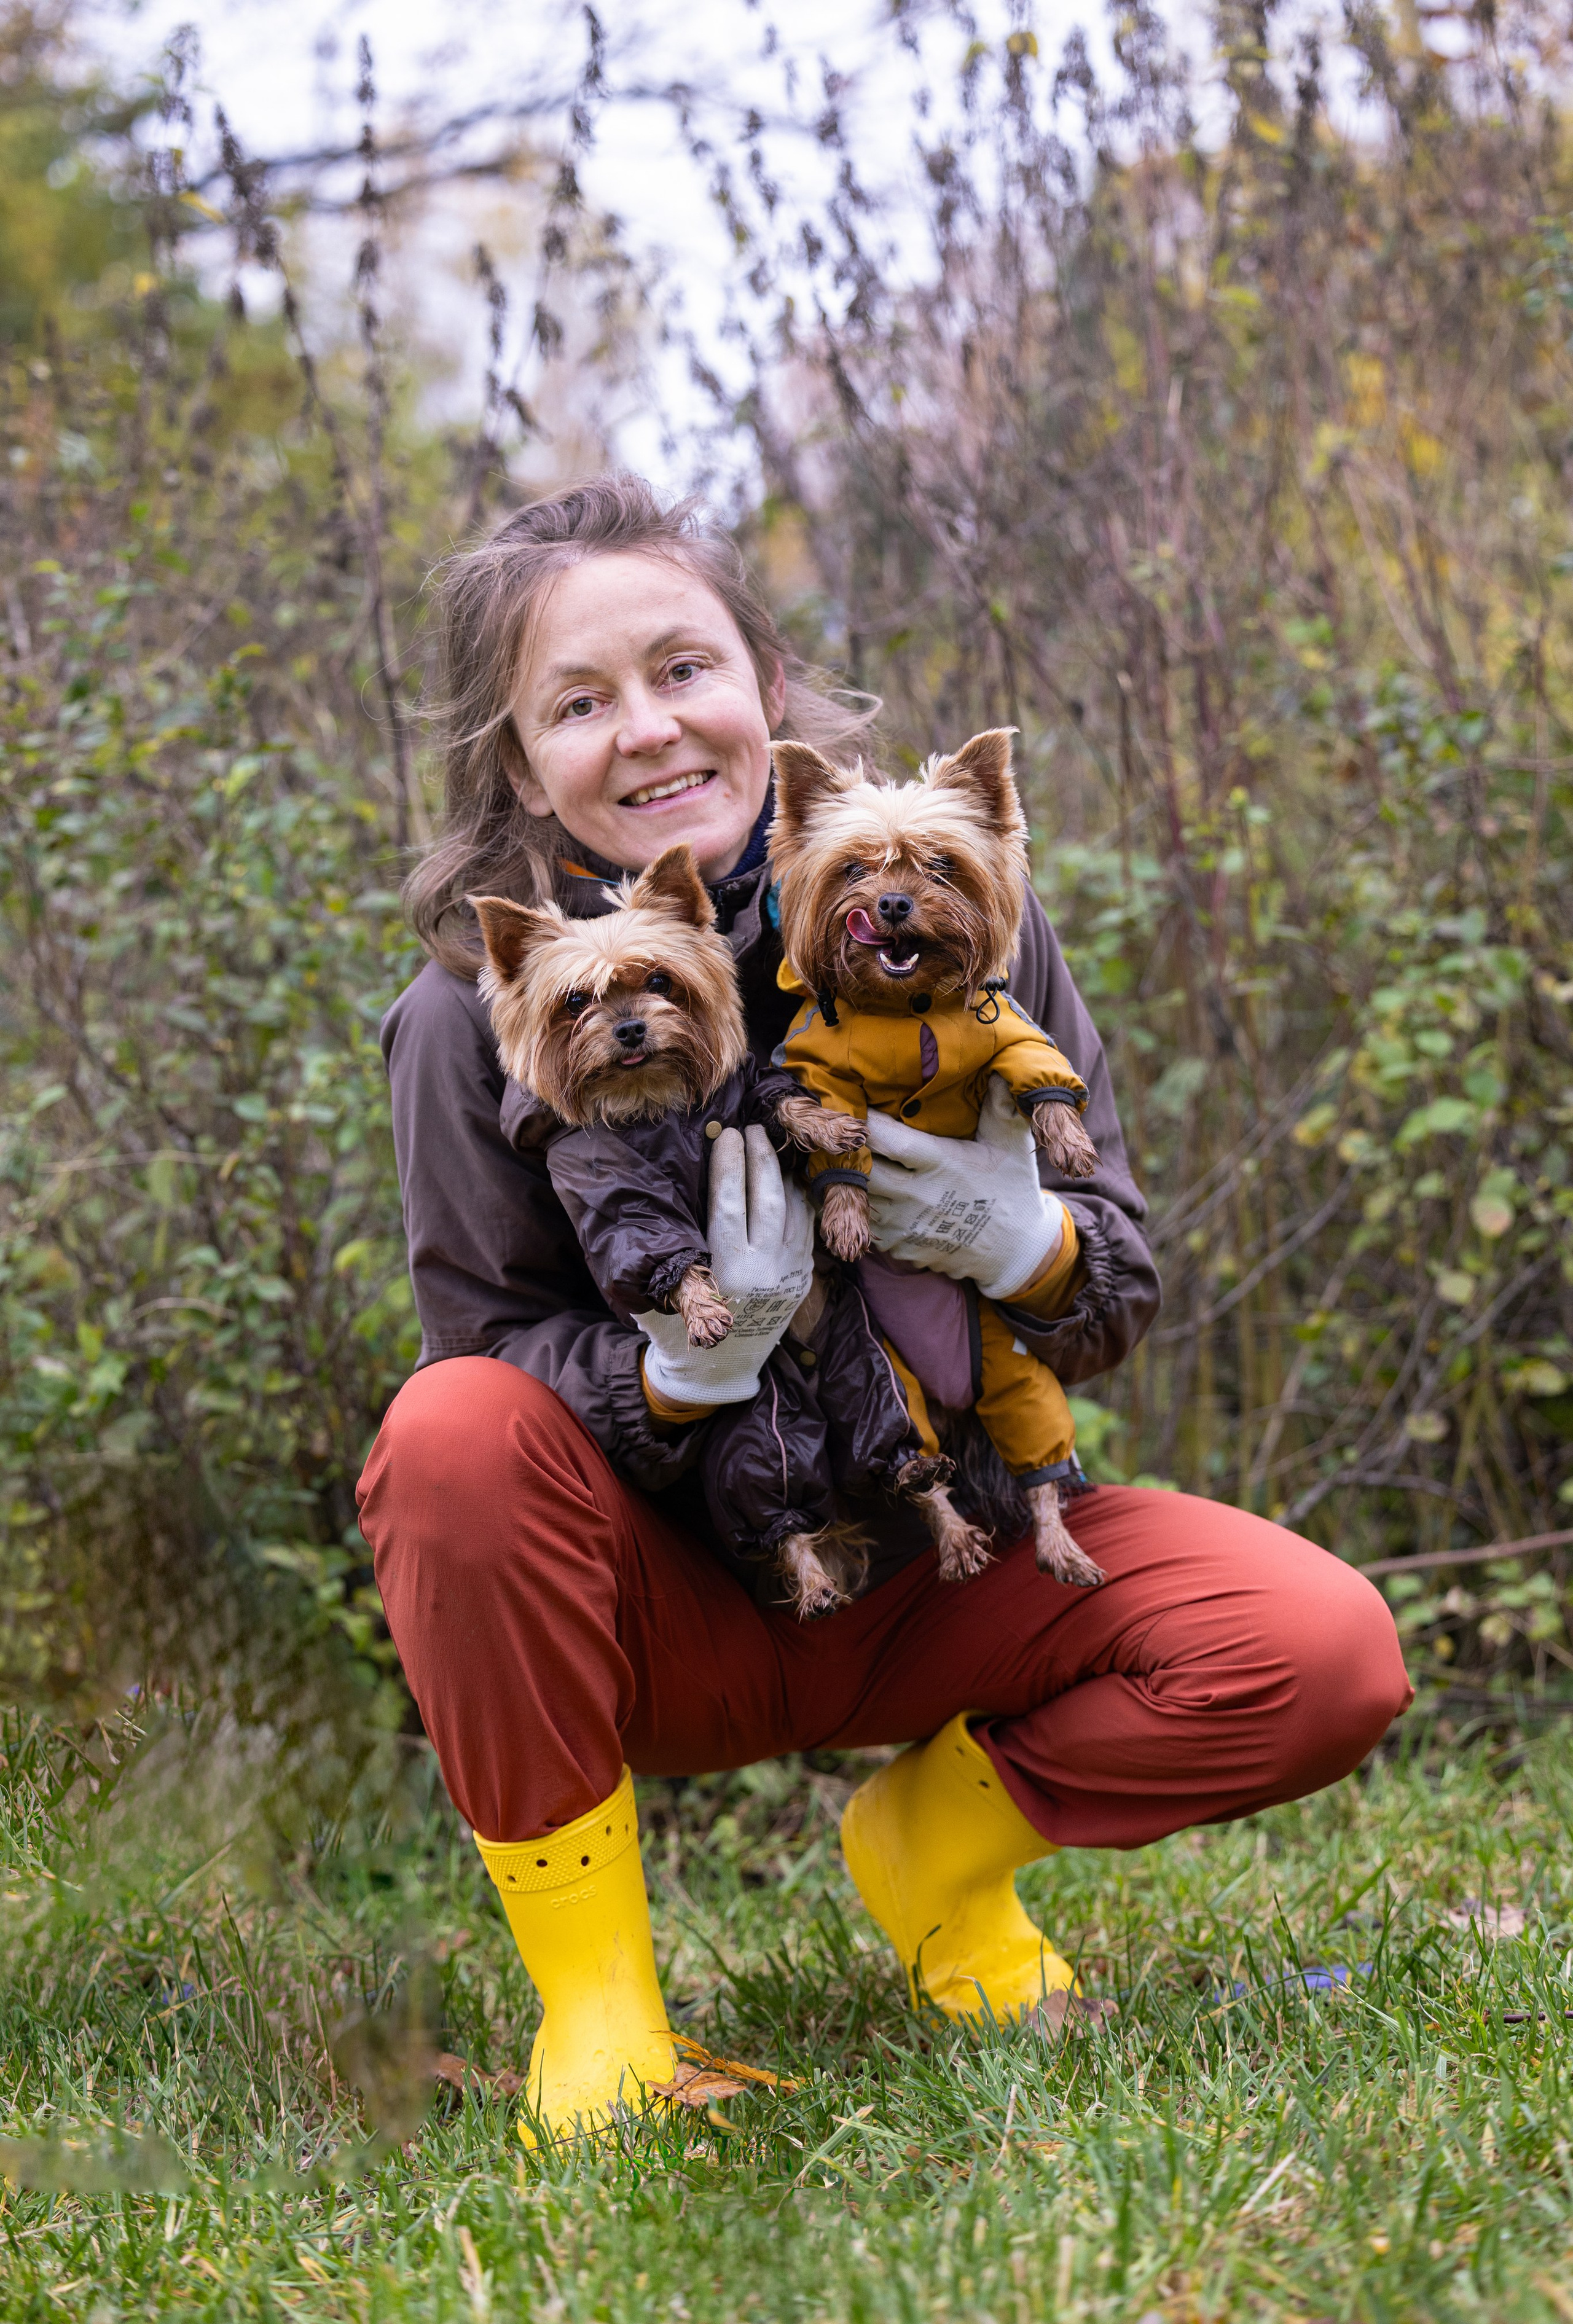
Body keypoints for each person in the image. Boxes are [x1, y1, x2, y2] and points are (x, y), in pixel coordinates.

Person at [355, 474, 1411, 2141]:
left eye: (684, 668)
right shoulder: (465, 1016)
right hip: (668, 1613)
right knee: (446, 1440)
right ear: (518, 762)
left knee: (1320, 1651)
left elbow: (1110, 1284)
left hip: (953, 1557)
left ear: (768, 683)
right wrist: (686, 1370)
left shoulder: (953, 911)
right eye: (578, 703)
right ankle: (605, 2018)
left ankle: (933, 1852)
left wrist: (1021, 1244)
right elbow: (484, 1359)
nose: (646, 733)